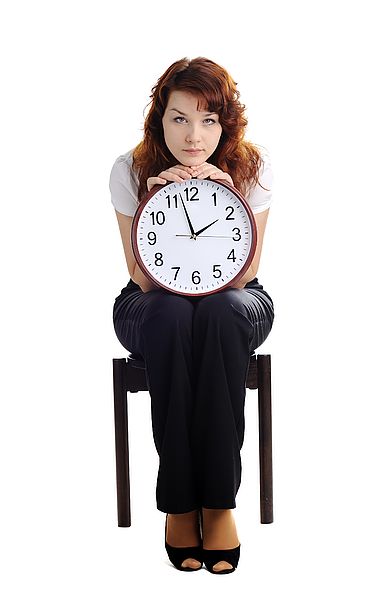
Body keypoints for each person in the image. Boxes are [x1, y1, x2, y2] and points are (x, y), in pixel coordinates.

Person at [109, 57, 275, 575]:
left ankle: (219, 504)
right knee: (171, 314)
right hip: (151, 301)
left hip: (235, 298)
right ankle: (180, 504)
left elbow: (245, 274)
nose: (194, 135)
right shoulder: (130, 170)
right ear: (159, 120)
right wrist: (159, 198)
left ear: (225, 123)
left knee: (222, 312)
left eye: (208, 120)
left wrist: (223, 191)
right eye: (180, 118)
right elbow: (140, 276)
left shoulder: (252, 167)